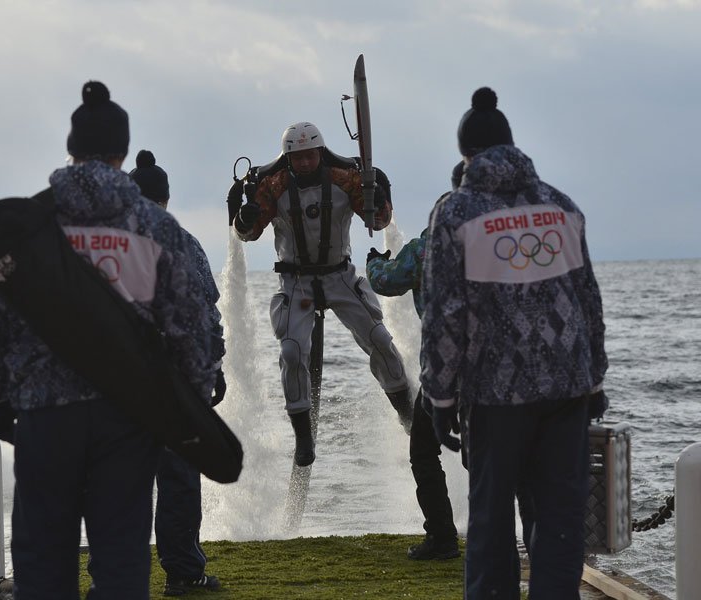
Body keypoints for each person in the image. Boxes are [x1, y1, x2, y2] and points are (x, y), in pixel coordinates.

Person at [0, 81, 216, 600]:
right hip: (128, 419)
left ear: (72, 149)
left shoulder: (27, 225)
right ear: (122, 155)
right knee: (122, 561)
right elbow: (191, 331)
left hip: (43, 417)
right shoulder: (157, 228)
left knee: (42, 564)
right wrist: (187, 407)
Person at [420, 87, 608, 599]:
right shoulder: (561, 207)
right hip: (567, 391)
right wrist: (594, 382)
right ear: (512, 144)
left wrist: (440, 398)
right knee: (560, 523)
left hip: (495, 397)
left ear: (465, 154)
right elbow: (588, 302)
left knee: (491, 522)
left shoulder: (457, 214)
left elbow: (444, 315)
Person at [231, 122, 412, 467]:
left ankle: (409, 415)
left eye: (310, 155)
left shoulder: (347, 179)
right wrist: (244, 218)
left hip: (339, 276)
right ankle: (303, 436)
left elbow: (378, 222)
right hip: (296, 282)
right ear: (287, 157)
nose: (304, 163)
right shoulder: (273, 186)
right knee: (291, 350)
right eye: (297, 157)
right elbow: (247, 234)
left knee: (379, 339)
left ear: (320, 152)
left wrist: (380, 201)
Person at [129, 149, 224, 596]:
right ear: (165, 199)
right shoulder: (183, 242)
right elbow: (206, 313)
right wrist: (215, 367)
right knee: (179, 481)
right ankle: (184, 573)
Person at [365, 217, 461, 561]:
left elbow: (384, 281)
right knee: (486, 455)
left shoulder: (425, 249)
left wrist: (374, 261)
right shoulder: (488, 248)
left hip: (444, 370)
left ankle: (442, 537)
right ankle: (499, 528)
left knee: (423, 451)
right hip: (491, 369)